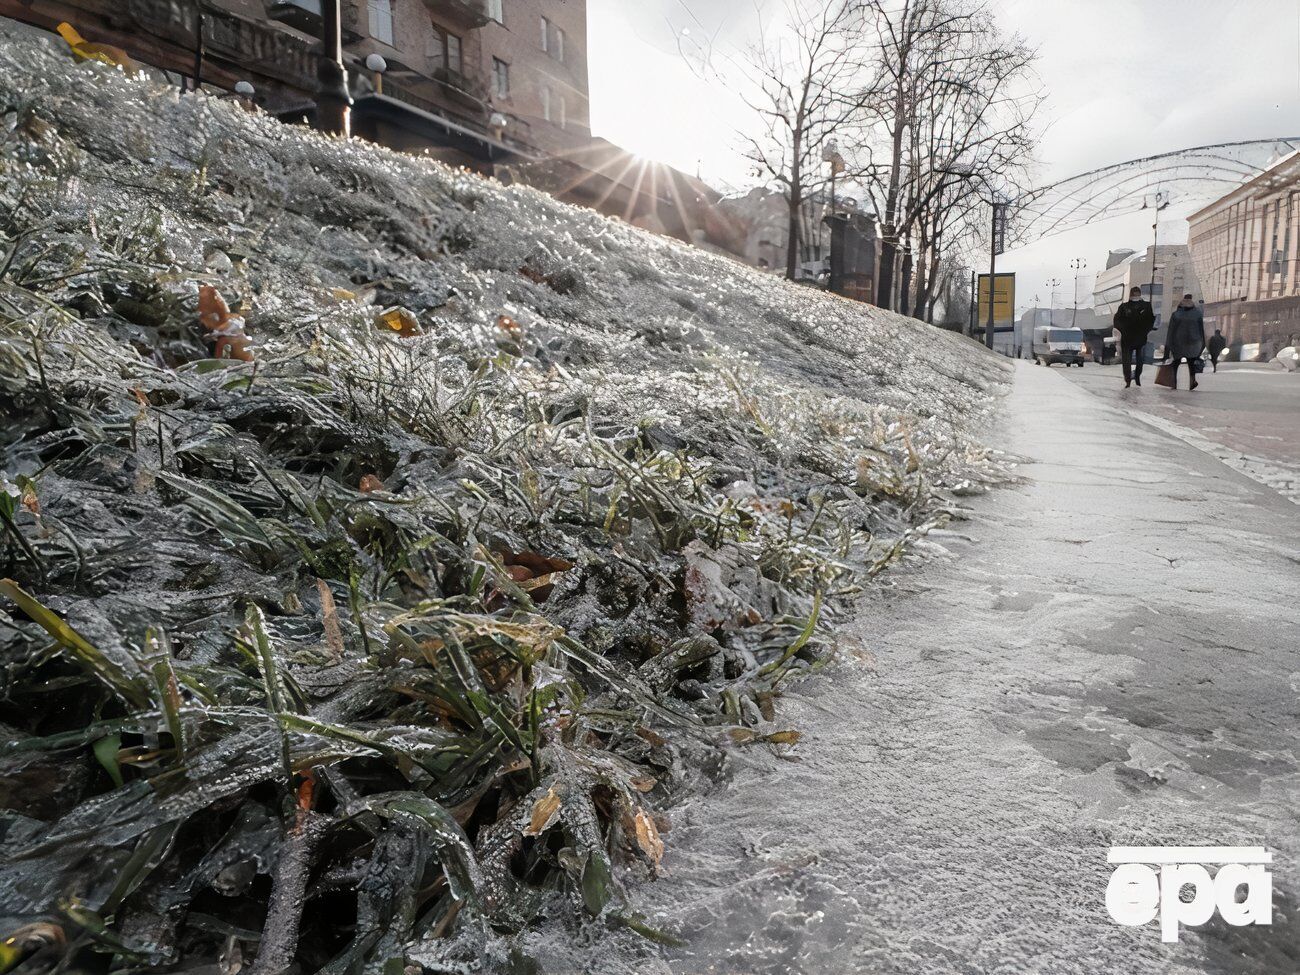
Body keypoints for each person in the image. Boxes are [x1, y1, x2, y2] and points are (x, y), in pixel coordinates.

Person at [1113, 285, 1155, 387]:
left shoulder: (1124, 307)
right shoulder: (1146, 306)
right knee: (1140, 359)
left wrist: (1123, 330)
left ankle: (1128, 379)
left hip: (1127, 338)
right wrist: (1145, 331)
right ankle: (1137, 377)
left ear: (1130, 294)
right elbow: (1151, 321)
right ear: (1140, 294)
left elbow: (1117, 321)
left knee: (1126, 360)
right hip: (1140, 337)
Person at [1164, 293, 1207, 390]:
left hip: (1178, 342)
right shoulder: (1197, 314)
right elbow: (1201, 330)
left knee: (1176, 363)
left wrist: (1168, 347)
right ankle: (1192, 381)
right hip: (1193, 343)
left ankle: (1173, 382)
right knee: (1191, 364)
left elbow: (1171, 331)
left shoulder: (1176, 314)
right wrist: (1203, 344)